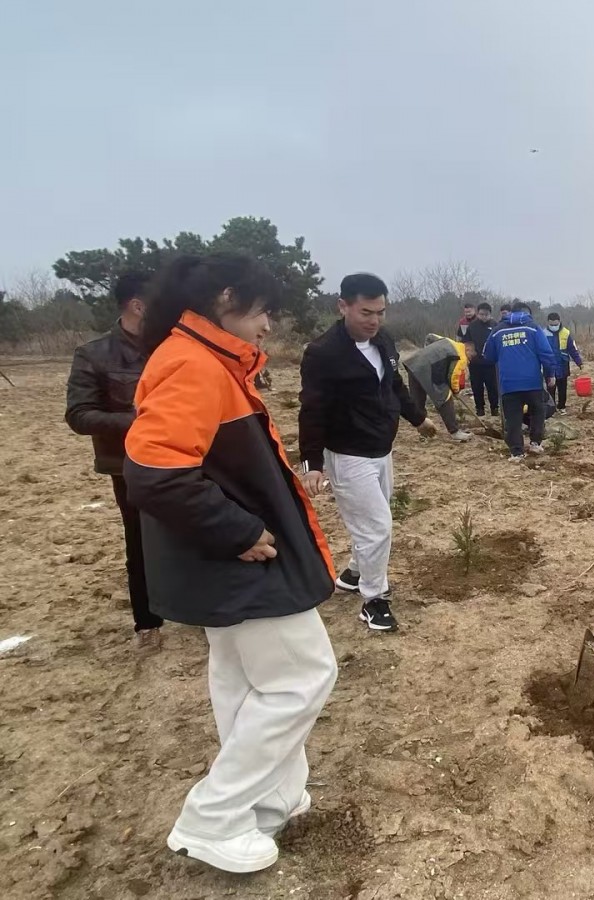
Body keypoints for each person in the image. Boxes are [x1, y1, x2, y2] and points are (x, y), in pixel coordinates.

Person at [123, 254, 338, 873]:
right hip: (240, 560)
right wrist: (237, 530)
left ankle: (271, 799)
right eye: (263, 310)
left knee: (245, 682)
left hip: (222, 562)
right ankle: (213, 818)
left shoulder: (203, 359)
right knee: (303, 677)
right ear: (225, 298)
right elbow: (156, 473)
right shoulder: (192, 364)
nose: (269, 324)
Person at [298, 273, 438, 632]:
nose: (374, 320)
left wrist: (418, 419)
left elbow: (395, 386)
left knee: (373, 520)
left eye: (380, 312)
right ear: (342, 306)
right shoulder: (323, 353)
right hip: (348, 454)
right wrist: (312, 463)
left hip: (381, 448)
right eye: (366, 312)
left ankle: (354, 573)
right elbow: (312, 410)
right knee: (377, 527)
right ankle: (374, 600)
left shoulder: (383, 341)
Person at [65, 270, 164, 647]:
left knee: (192, 534)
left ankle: (198, 608)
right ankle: (148, 623)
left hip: (188, 457)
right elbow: (79, 415)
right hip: (129, 464)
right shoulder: (93, 355)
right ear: (138, 305)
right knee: (140, 540)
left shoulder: (171, 348)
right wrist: (140, 421)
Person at [483, 301, 559, 460]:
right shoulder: (533, 328)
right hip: (532, 382)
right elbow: (546, 353)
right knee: (537, 412)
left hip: (508, 383)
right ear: (527, 313)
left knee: (513, 418)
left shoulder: (497, 331)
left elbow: (488, 355)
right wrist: (550, 375)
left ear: (511, 312)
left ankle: (516, 452)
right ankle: (535, 443)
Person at [402, 333, 474, 441]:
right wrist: (455, 391)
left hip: (414, 364)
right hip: (429, 370)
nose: (470, 359)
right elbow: (453, 376)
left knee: (417, 400)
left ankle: (423, 430)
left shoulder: (448, 341)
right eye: (471, 355)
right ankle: (454, 432)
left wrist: (429, 353)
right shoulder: (461, 355)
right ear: (467, 349)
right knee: (444, 398)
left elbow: (430, 337)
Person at [543, 312, 584, 413]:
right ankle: (551, 408)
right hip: (549, 366)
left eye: (555, 324)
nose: (553, 326)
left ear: (559, 322)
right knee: (550, 388)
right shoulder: (543, 334)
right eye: (551, 324)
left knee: (562, 388)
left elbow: (572, 349)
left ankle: (562, 406)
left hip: (563, 365)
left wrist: (579, 362)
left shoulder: (566, 333)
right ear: (548, 322)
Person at [464, 302, 499, 416]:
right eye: (481, 314)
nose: (484, 317)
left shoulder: (495, 325)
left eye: (486, 314)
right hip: (475, 363)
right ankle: (480, 408)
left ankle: (494, 408)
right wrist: (470, 353)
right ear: (478, 314)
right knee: (477, 387)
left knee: (493, 387)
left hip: (491, 363)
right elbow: (467, 342)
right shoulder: (472, 326)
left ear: (490, 314)